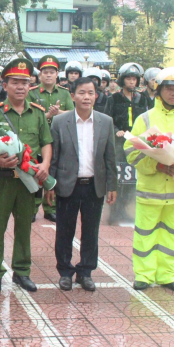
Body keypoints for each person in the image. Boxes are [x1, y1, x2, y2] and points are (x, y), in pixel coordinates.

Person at [126, 67, 174, 292]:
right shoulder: (145, 118)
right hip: (150, 192)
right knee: (145, 236)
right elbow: (131, 152)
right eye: (169, 89)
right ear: (159, 90)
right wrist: (157, 164)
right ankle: (143, 275)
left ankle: (168, 276)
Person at [0, 57, 52, 293]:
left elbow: (46, 142)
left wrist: (46, 166)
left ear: (30, 84)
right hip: (1, 180)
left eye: (25, 82)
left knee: (24, 227)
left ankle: (22, 271)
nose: (20, 87)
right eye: (15, 82)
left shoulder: (38, 113)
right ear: (5, 85)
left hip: (28, 182)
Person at [46, 76, 117, 292]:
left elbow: (110, 156)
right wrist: (49, 184)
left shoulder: (106, 122)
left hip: (94, 185)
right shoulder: (60, 121)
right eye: (81, 93)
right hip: (68, 184)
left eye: (91, 93)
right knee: (64, 230)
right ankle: (65, 272)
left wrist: (112, 185)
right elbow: (54, 156)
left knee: (91, 232)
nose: (86, 97)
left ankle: (85, 271)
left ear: (96, 95)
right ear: (72, 96)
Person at [27, 55, 74, 223]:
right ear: (40, 75)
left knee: (54, 172)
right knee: (36, 172)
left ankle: (50, 208)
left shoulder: (64, 93)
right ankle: (32, 208)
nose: (48, 75)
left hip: (58, 138)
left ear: (57, 75)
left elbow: (71, 113)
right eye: (45, 72)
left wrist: (57, 114)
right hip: (38, 139)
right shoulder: (31, 93)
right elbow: (29, 115)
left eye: (52, 72)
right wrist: (47, 115)